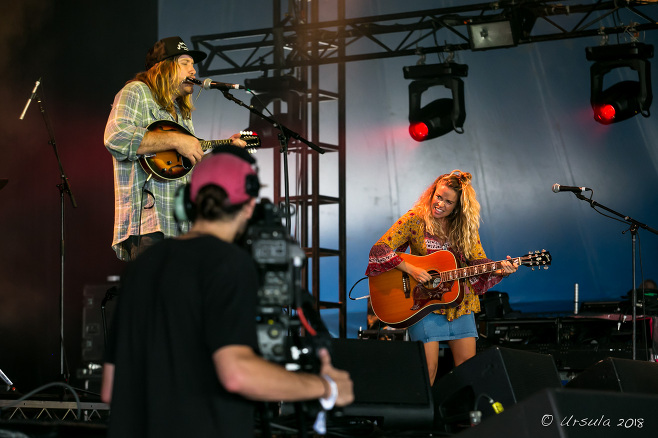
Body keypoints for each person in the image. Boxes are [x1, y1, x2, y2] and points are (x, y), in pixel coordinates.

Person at [100, 147, 353, 437]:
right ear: (248, 206)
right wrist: (326, 387)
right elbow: (237, 374)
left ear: (187, 203)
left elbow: (110, 388)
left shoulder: (140, 267)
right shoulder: (231, 264)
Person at [366, 170, 518, 385]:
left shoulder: (466, 228)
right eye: (439, 197)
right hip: (423, 303)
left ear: (458, 207)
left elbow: (477, 262)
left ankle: (464, 417)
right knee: (428, 368)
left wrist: (500, 269)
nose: (440, 204)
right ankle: (424, 417)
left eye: (448, 202)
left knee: (469, 369)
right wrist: (412, 270)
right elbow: (380, 249)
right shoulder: (415, 220)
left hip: (460, 303)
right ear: (432, 193)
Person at [104, 36, 246, 261]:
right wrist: (177, 140)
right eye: (185, 64)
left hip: (181, 227)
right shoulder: (136, 92)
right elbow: (116, 137)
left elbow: (185, 162)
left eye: (193, 64)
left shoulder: (180, 113)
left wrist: (228, 146)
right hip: (149, 225)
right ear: (163, 68)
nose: (193, 71)